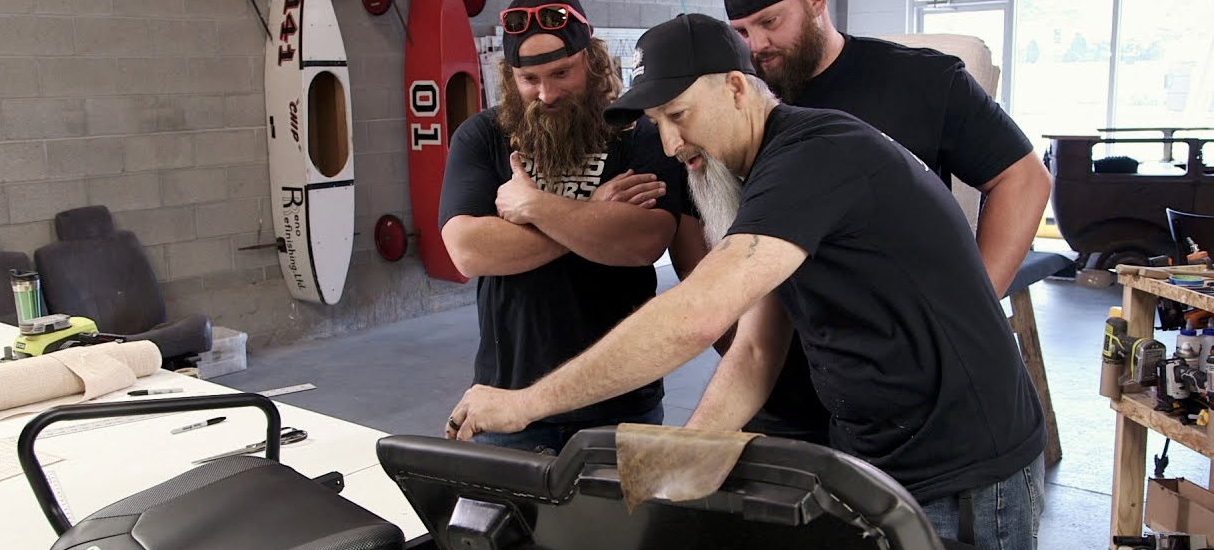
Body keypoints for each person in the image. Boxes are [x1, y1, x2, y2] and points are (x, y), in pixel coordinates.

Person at [445, 14, 1045, 550]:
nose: (672, 145)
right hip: (874, 452)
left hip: (964, 468)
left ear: (736, 88)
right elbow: (756, 349)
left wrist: (525, 403)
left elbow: (695, 315)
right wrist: (679, 470)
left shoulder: (813, 155)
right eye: (657, 123)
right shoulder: (759, 179)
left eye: (679, 116)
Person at [669, 0, 1054, 444]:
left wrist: (967, 314)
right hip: (781, 389)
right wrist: (731, 339)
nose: (756, 45)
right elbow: (701, 225)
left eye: (770, 22)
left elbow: (1023, 178)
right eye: (740, 31)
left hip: (908, 404)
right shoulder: (734, 100)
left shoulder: (918, 79)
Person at [437, 0, 685, 454]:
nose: (547, 94)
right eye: (529, 79)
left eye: (561, 73)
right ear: (510, 77)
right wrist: (593, 210)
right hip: (507, 400)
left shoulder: (638, 133)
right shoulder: (482, 137)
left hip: (620, 401)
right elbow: (469, 250)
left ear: (592, 60)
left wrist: (534, 206)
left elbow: (644, 241)